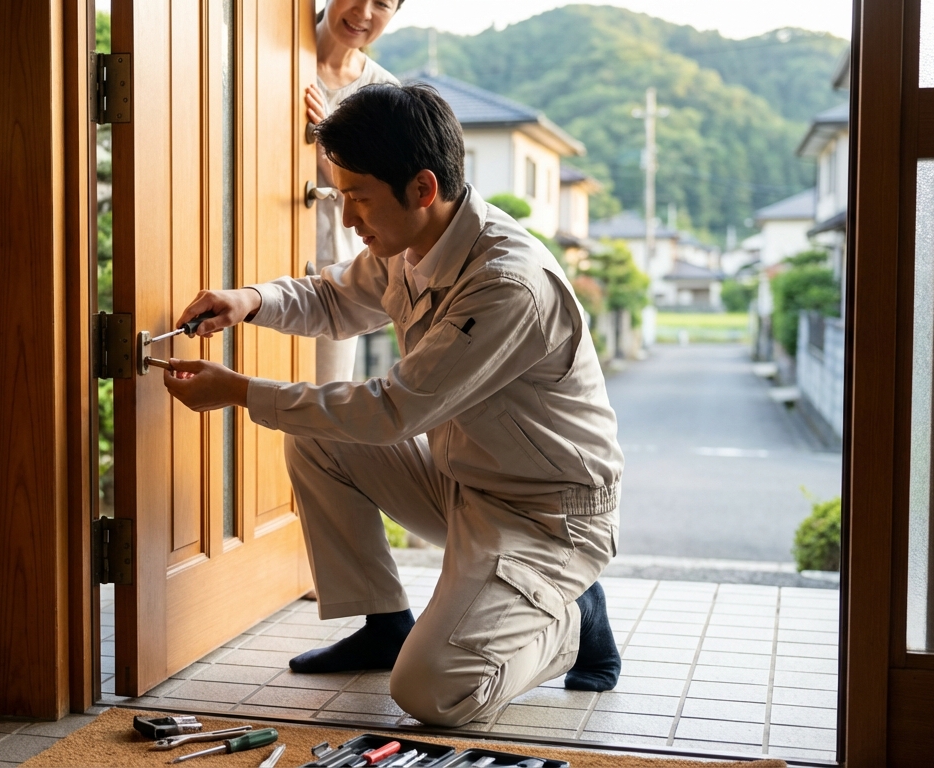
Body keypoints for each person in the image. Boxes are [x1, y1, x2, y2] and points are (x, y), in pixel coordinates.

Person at [160, 84, 623, 728]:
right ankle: (386, 624)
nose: (348, 218)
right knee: (317, 436)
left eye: (358, 197)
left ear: (423, 188)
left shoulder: (505, 284)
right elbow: (333, 301)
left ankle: (569, 615)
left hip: (542, 513)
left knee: (435, 693)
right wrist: (248, 300)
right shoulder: (413, 248)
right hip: (462, 481)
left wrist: (239, 392)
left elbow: (392, 411)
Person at [305, 0, 401, 384]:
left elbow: (382, 194)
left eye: (381, 3)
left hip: (338, 270)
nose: (363, 12)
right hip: (256, 248)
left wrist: (325, 141)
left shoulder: (385, 93)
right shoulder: (268, 57)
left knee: (323, 401)